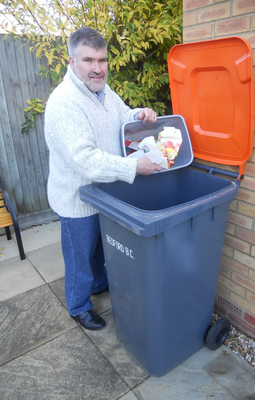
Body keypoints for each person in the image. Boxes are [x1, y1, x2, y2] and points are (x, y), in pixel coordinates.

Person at [44, 27, 161, 331]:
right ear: (71, 62)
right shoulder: (65, 103)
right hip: (76, 197)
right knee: (79, 255)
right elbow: (86, 161)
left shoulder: (102, 91)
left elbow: (122, 115)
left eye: (102, 59)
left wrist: (139, 116)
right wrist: (135, 168)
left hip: (103, 193)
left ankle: (98, 283)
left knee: (98, 248)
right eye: (88, 60)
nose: (97, 67)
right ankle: (78, 305)